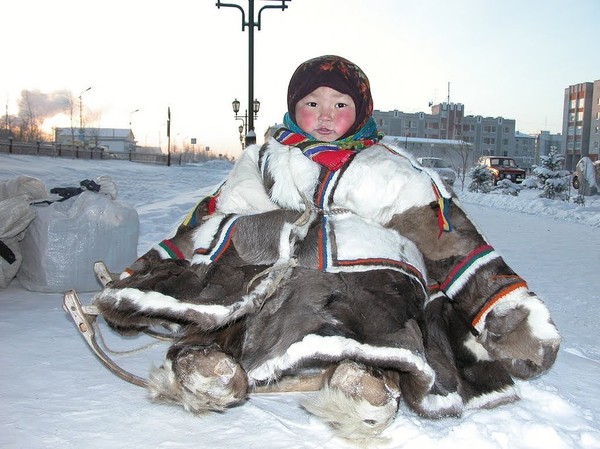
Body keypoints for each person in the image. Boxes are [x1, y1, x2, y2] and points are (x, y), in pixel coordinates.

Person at [92, 56, 560, 442]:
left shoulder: (389, 170)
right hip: (287, 268)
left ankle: (367, 379)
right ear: (294, 109)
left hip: (371, 275)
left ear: (360, 111)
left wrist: (512, 317)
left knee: (374, 309)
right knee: (241, 273)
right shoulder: (267, 159)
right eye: (311, 103)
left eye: (340, 103)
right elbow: (213, 219)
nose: (326, 114)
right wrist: (155, 265)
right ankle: (208, 362)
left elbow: (452, 243)